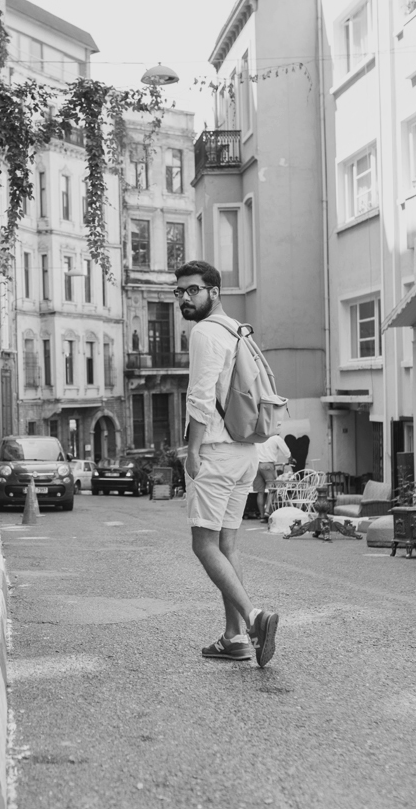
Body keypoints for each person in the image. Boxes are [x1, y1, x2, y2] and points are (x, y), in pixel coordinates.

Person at [176, 259, 279, 668]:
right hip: (245, 452)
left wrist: (193, 451)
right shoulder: (237, 329)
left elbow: (200, 397)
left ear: (214, 292)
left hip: (216, 452)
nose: (185, 298)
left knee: (203, 545)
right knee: (226, 545)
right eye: (180, 291)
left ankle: (254, 619)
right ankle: (234, 637)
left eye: (193, 290)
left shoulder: (204, 332)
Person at [254, 434, 292, 521]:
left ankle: (262, 516)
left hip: (257, 465)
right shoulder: (276, 438)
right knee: (273, 489)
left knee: (260, 492)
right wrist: (290, 458)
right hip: (268, 465)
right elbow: (286, 451)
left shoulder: (259, 436)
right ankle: (268, 511)